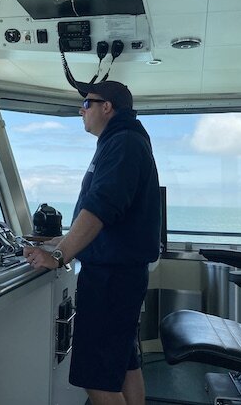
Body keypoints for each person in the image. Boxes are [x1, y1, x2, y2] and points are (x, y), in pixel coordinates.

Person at [24, 80, 161, 405]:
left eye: (86, 104)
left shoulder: (123, 144)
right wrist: (60, 239)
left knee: (95, 378)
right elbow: (108, 219)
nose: (81, 110)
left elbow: (100, 208)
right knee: (124, 362)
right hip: (121, 275)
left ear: (106, 107)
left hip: (111, 279)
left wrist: (57, 255)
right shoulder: (126, 141)